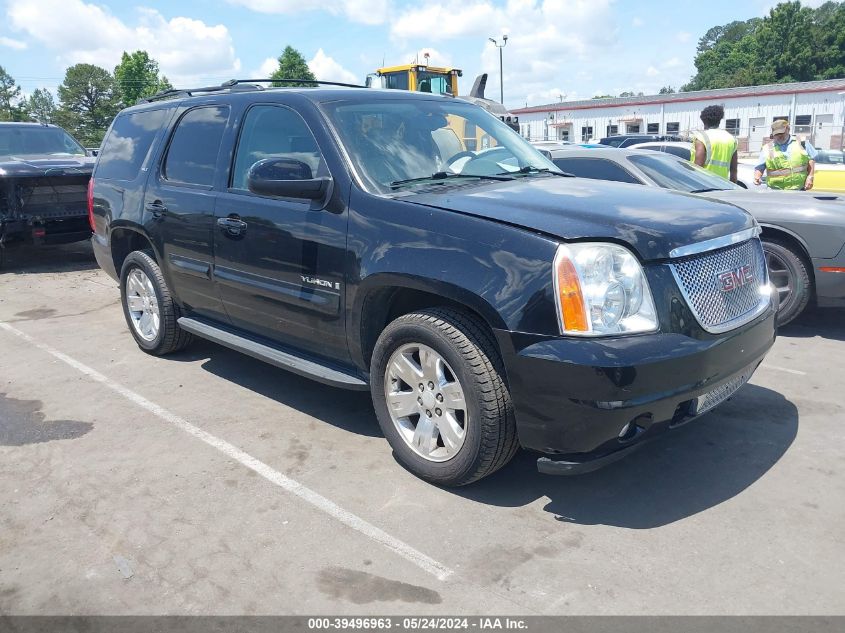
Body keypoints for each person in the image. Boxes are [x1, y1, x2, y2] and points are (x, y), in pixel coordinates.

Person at [754, 119, 815, 190]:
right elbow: (760, 167)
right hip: (775, 190)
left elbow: (811, 160)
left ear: (788, 129)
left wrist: (810, 177)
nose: (779, 136)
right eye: (776, 134)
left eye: (781, 133)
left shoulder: (802, 143)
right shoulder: (766, 148)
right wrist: (757, 177)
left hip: (799, 189)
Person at [690, 105, 738, 182]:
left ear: (704, 121)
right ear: (719, 120)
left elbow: (698, 166)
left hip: (704, 185)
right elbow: (734, 170)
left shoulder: (701, 137)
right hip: (723, 186)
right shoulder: (731, 139)